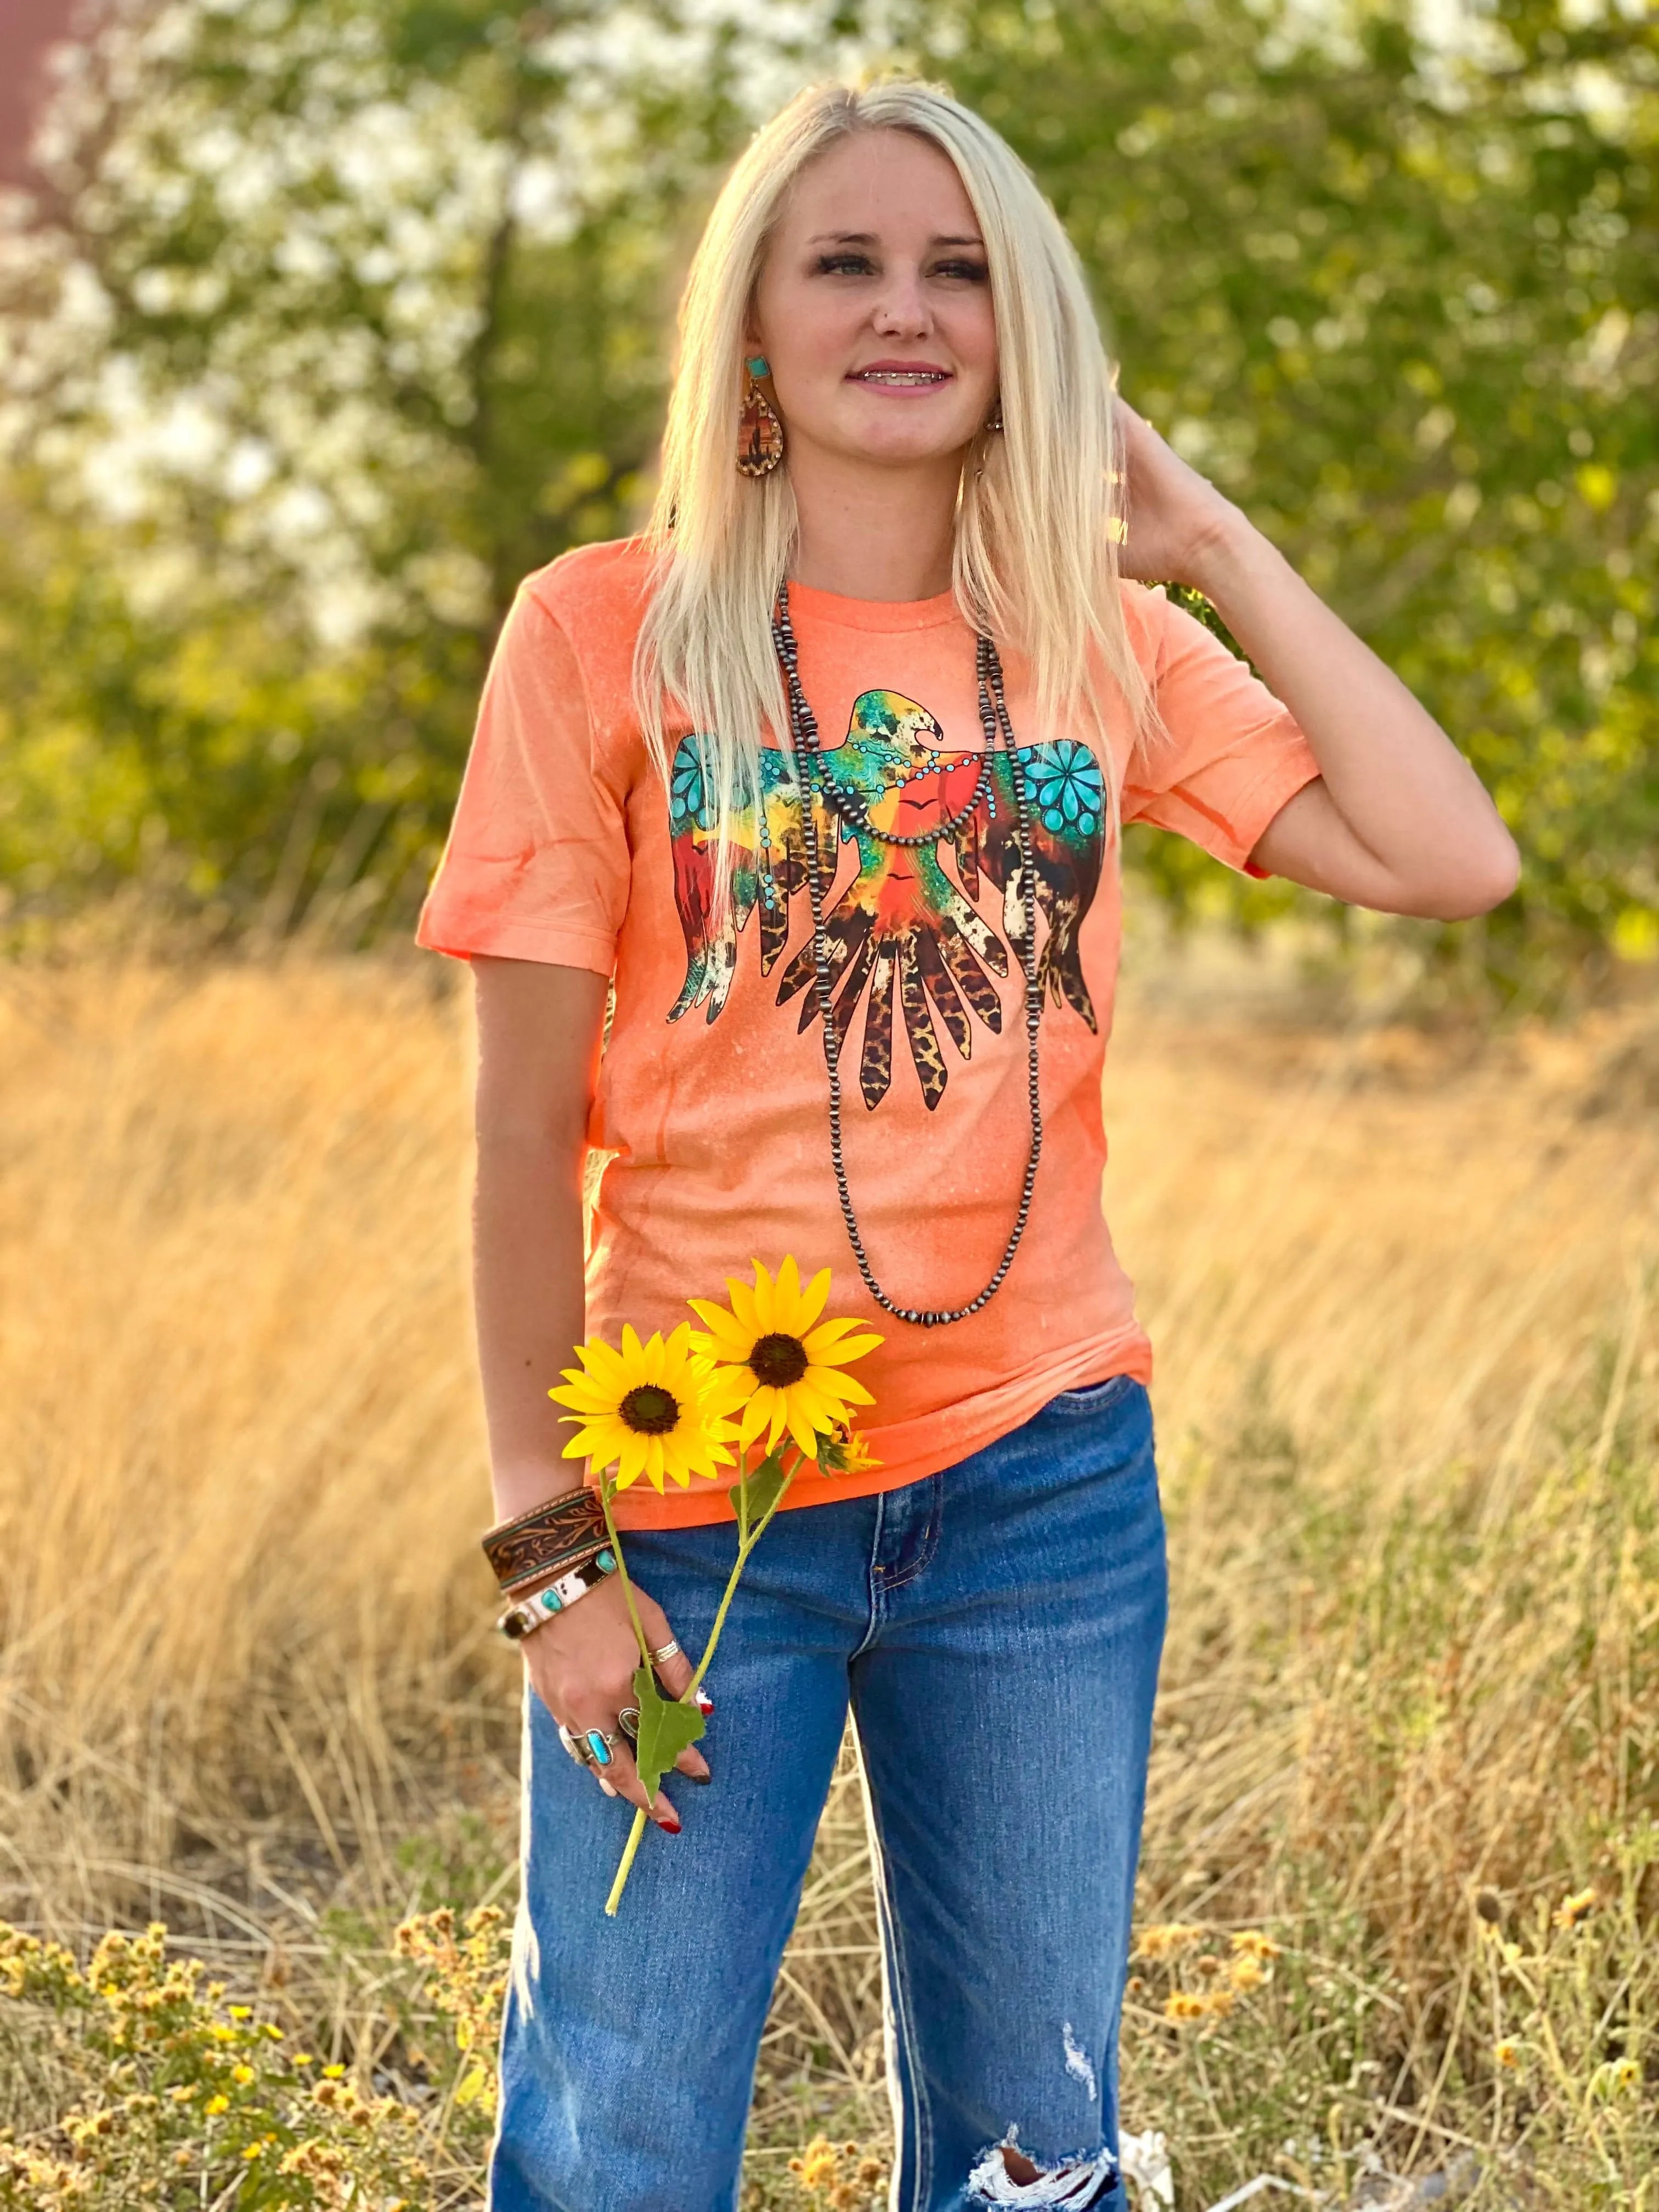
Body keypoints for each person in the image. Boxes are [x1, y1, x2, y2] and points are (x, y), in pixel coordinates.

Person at [414, 76, 1518, 2212]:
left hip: (1041, 1500)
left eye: (962, 270)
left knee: (1039, 2152)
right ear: (751, 323)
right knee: (618, 2136)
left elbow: (1446, 852)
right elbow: (512, 1132)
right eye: (845, 260)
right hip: (691, 1518)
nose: (904, 309)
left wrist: (1206, 546)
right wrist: (554, 1561)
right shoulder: (599, 632)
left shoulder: (1099, 645)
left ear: (1029, 332)